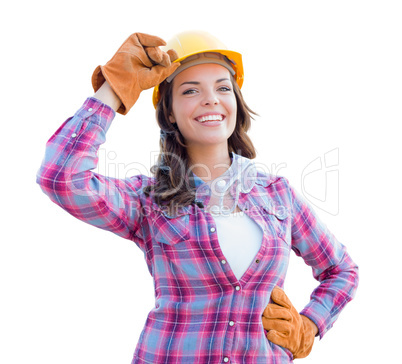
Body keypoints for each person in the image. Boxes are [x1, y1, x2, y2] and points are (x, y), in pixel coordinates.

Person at [37, 31, 359, 363]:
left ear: (235, 101)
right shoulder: (149, 201)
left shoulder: (278, 195)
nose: (211, 99)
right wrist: (113, 87)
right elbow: (61, 177)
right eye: (191, 90)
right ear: (171, 112)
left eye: (222, 87)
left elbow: (342, 270)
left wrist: (309, 325)